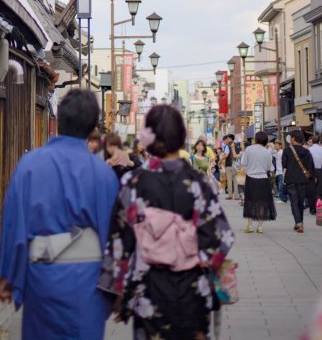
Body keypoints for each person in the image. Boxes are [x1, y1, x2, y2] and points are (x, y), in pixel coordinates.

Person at [99, 104, 235, 340]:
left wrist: (116, 294)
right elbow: (222, 237)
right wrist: (195, 259)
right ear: (181, 138)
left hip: (148, 290)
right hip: (194, 291)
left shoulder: (133, 182)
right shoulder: (198, 183)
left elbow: (119, 243)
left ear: (148, 139)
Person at [0, 89, 119, 340]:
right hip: (89, 280)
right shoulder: (103, 174)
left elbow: (14, 223)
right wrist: (118, 287)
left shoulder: (29, 166)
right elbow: (114, 236)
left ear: (59, 120)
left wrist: (8, 273)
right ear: (91, 127)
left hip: (42, 278)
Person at [241, 130, 276, 234]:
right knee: (262, 202)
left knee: (250, 201)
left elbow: (243, 163)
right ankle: (260, 226)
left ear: (255, 139)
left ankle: (250, 225)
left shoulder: (248, 149)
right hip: (263, 179)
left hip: (251, 178)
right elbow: (269, 167)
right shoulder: (267, 152)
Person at [282, 129, 315, 233]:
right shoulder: (307, 151)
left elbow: (284, 165)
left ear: (292, 138)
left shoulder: (287, 150)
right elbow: (310, 167)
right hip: (303, 180)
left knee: (294, 203)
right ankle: (299, 222)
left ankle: (299, 223)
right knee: (300, 202)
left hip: (291, 179)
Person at [222, 134, 239, 199]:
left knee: (229, 180)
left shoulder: (227, 146)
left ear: (229, 139)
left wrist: (221, 160)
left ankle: (230, 195)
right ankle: (236, 196)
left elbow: (226, 155)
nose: (227, 140)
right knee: (235, 180)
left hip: (229, 164)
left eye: (228, 138)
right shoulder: (236, 145)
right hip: (235, 165)